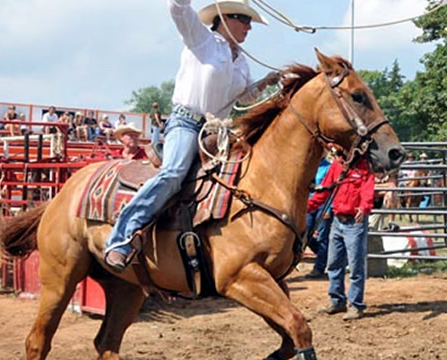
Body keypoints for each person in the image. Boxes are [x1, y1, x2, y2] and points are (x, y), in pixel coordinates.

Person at [103, 0, 280, 271]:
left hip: (217, 131)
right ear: (224, 18)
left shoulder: (241, 60)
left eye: (249, 23)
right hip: (186, 123)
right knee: (174, 173)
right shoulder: (202, 39)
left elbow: (242, 97)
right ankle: (121, 238)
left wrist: (264, 83)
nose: (248, 28)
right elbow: (178, 8)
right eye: (244, 20)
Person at [308, 154, 375, 321]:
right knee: (334, 262)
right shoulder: (337, 166)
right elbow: (325, 189)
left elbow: (368, 190)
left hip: (354, 222)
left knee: (355, 264)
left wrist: (364, 207)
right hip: (338, 220)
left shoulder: (364, 166)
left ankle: (355, 304)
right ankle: (337, 300)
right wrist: (307, 207)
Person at [305, 153, 334, 279]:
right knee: (305, 234)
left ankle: (319, 267)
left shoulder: (329, 167)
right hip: (309, 203)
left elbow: (332, 189)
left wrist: (328, 208)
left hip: (323, 204)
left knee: (323, 236)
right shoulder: (308, 166)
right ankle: (325, 257)